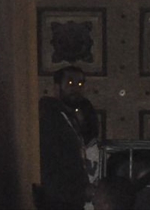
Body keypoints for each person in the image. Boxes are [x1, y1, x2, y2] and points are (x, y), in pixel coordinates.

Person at [38, 66, 101, 210]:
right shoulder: (50, 117)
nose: (76, 88)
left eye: (80, 84)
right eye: (70, 83)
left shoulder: (71, 118)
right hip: (59, 198)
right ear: (57, 87)